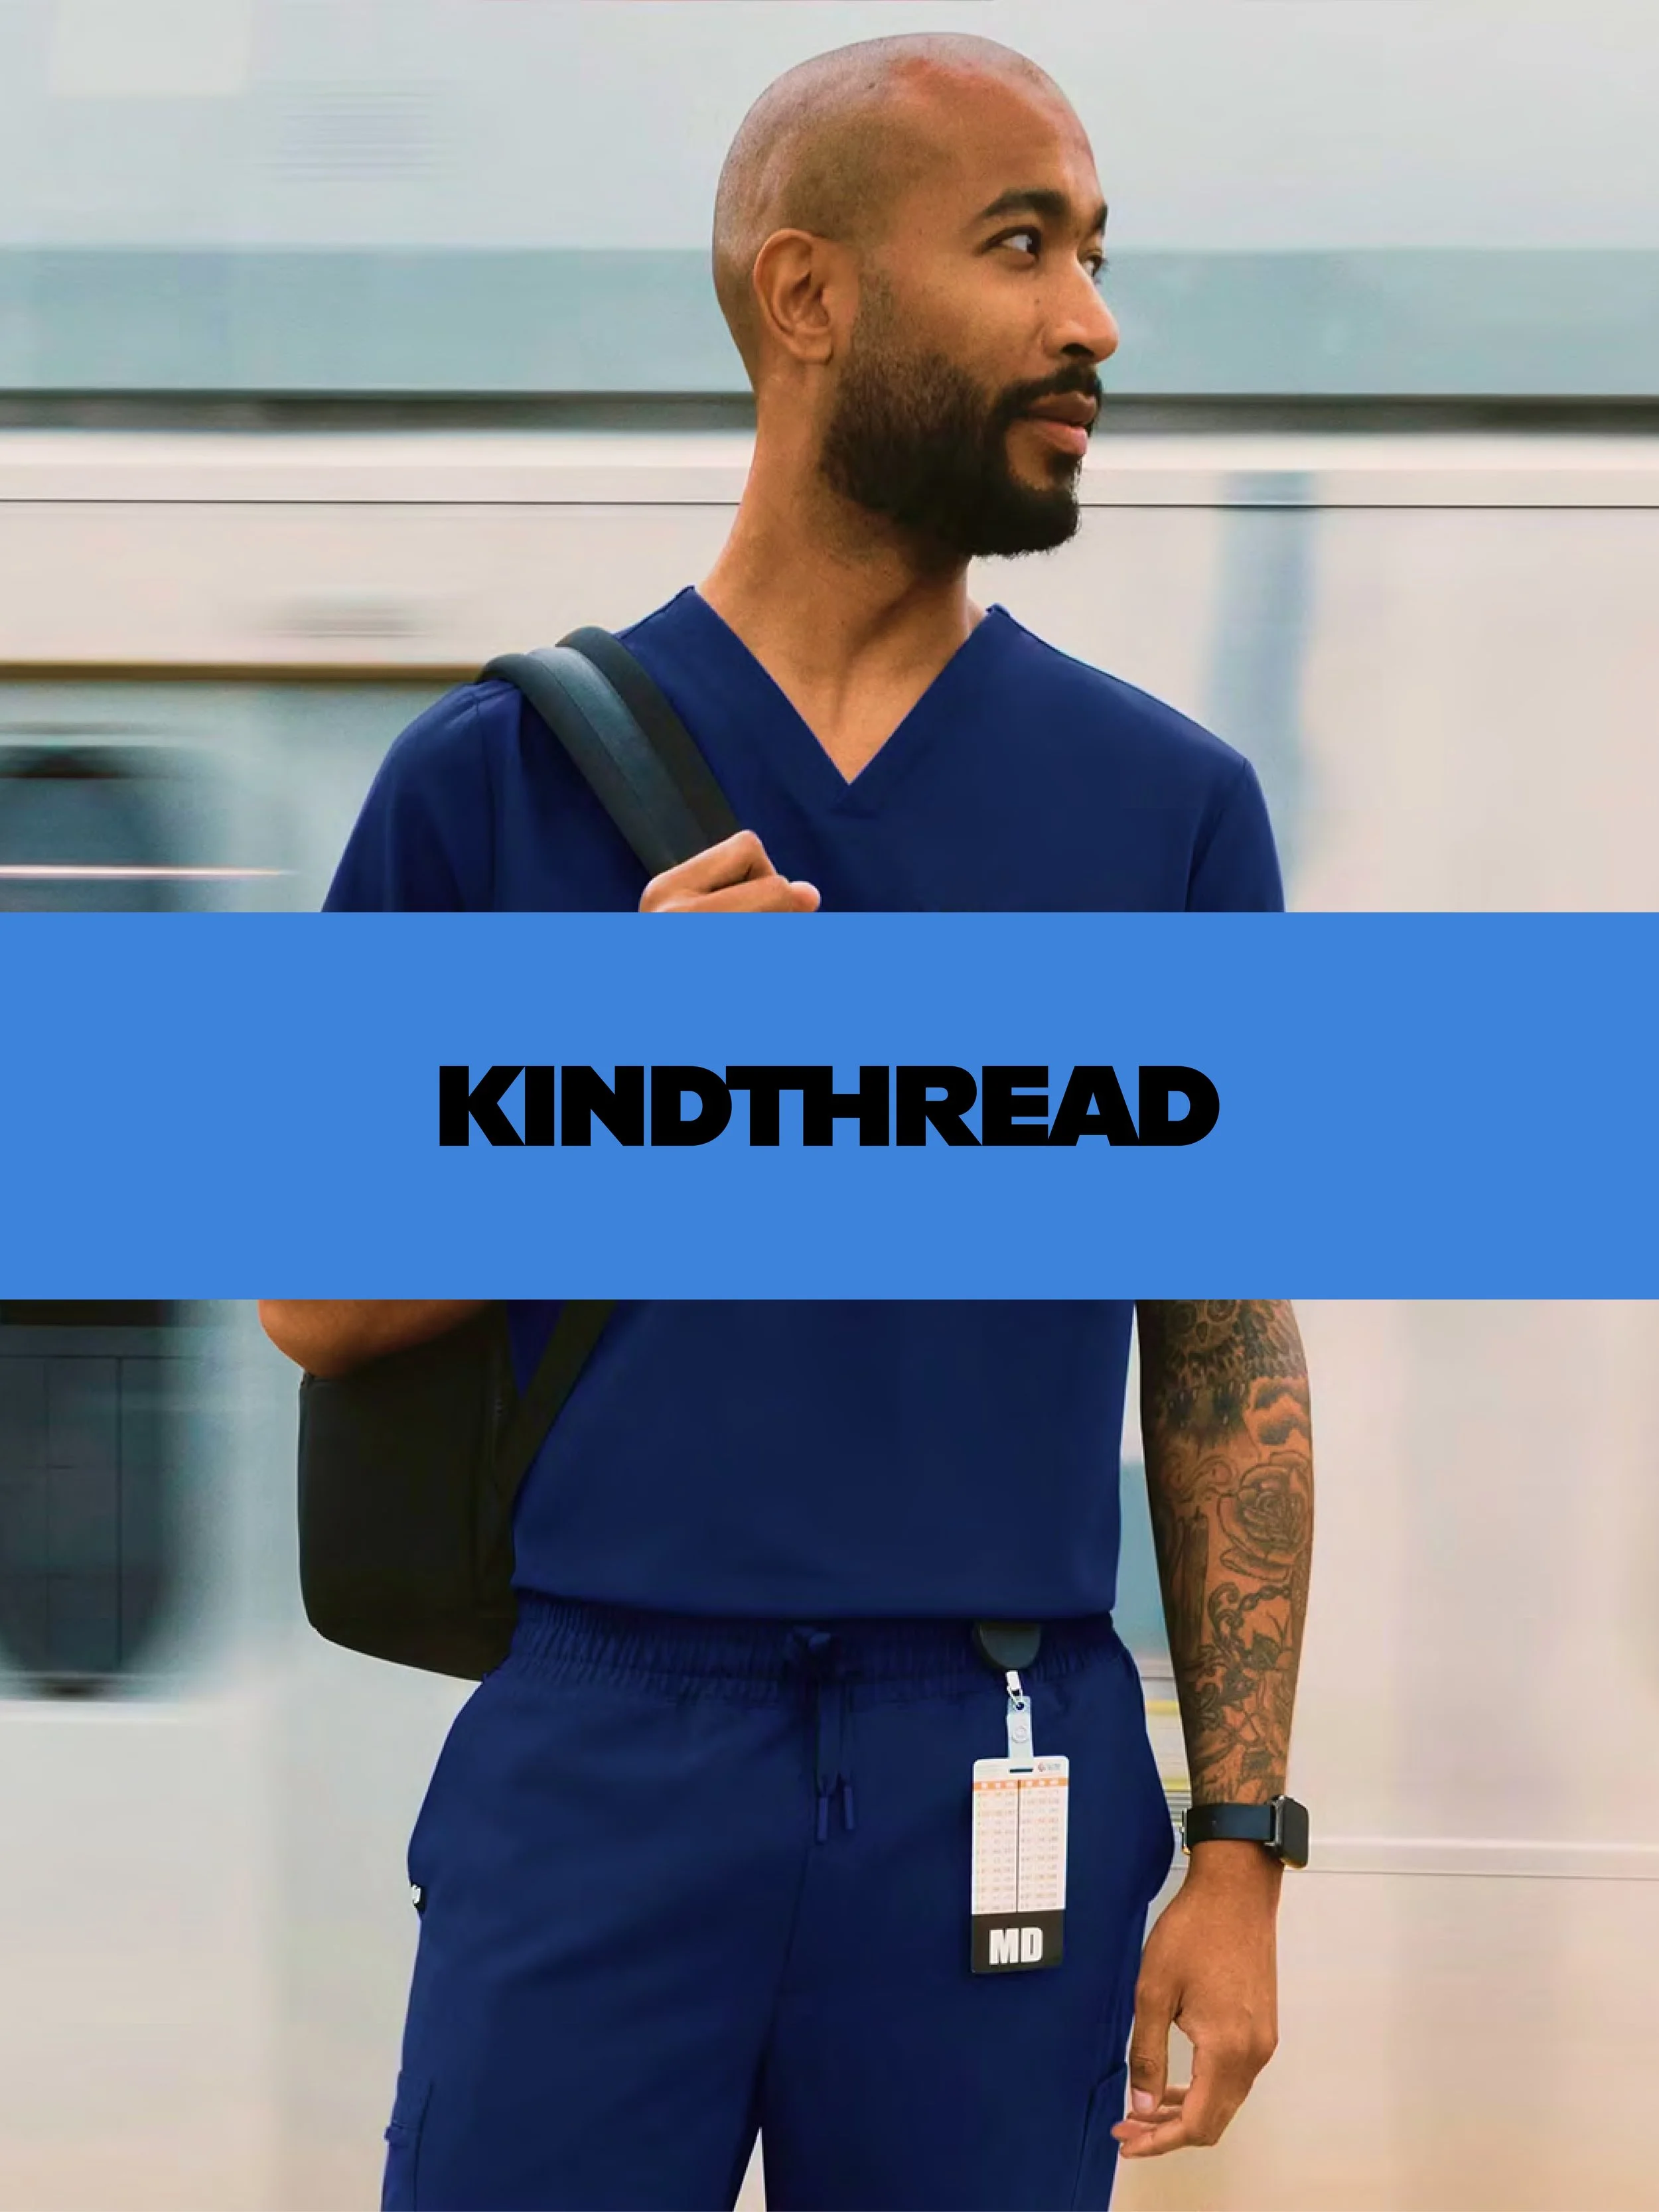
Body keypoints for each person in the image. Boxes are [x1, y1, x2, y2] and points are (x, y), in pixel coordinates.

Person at [261, 33, 1313, 2212]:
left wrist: (1239, 1844)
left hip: (999, 1755)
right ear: (806, 296)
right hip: (600, 1743)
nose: (1090, 320)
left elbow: (1220, 1347)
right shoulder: (484, 786)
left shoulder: (1167, 813)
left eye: (1097, 254)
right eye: (1019, 244)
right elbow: (312, 1295)